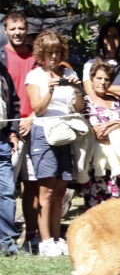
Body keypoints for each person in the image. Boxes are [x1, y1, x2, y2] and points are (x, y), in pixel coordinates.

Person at [25, 29, 85, 257]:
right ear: (41, 53)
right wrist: (50, 90)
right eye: (49, 52)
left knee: (61, 190)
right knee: (46, 191)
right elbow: (38, 109)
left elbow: (79, 107)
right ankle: (45, 240)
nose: (53, 57)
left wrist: (76, 88)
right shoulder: (35, 76)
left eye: (57, 52)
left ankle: (57, 237)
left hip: (65, 133)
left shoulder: (68, 72)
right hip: (44, 134)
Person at [2, 10, 39, 252]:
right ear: (5, 30)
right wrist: (13, 129)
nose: (17, 32)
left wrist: (33, 118)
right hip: (9, 130)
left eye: (21, 28)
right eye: (13, 28)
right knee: (6, 188)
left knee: (33, 186)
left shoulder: (37, 58)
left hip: (35, 125)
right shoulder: (1, 58)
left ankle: (31, 238)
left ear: (27, 31)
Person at [82, 59, 120, 210]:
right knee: (99, 213)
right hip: (98, 165)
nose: (102, 82)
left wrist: (114, 124)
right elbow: (99, 133)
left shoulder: (116, 102)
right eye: (99, 78)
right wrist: (119, 125)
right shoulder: (85, 104)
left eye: (106, 79)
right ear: (91, 79)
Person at [82, 21, 120, 102]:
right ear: (102, 39)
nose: (111, 40)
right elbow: (89, 90)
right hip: (101, 110)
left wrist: (101, 88)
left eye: (115, 36)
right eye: (107, 36)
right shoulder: (91, 64)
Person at [0, 58, 22, 255]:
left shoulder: (3, 72)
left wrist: (12, 131)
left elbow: (14, 103)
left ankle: (8, 243)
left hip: (1, 140)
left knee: (7, 193)